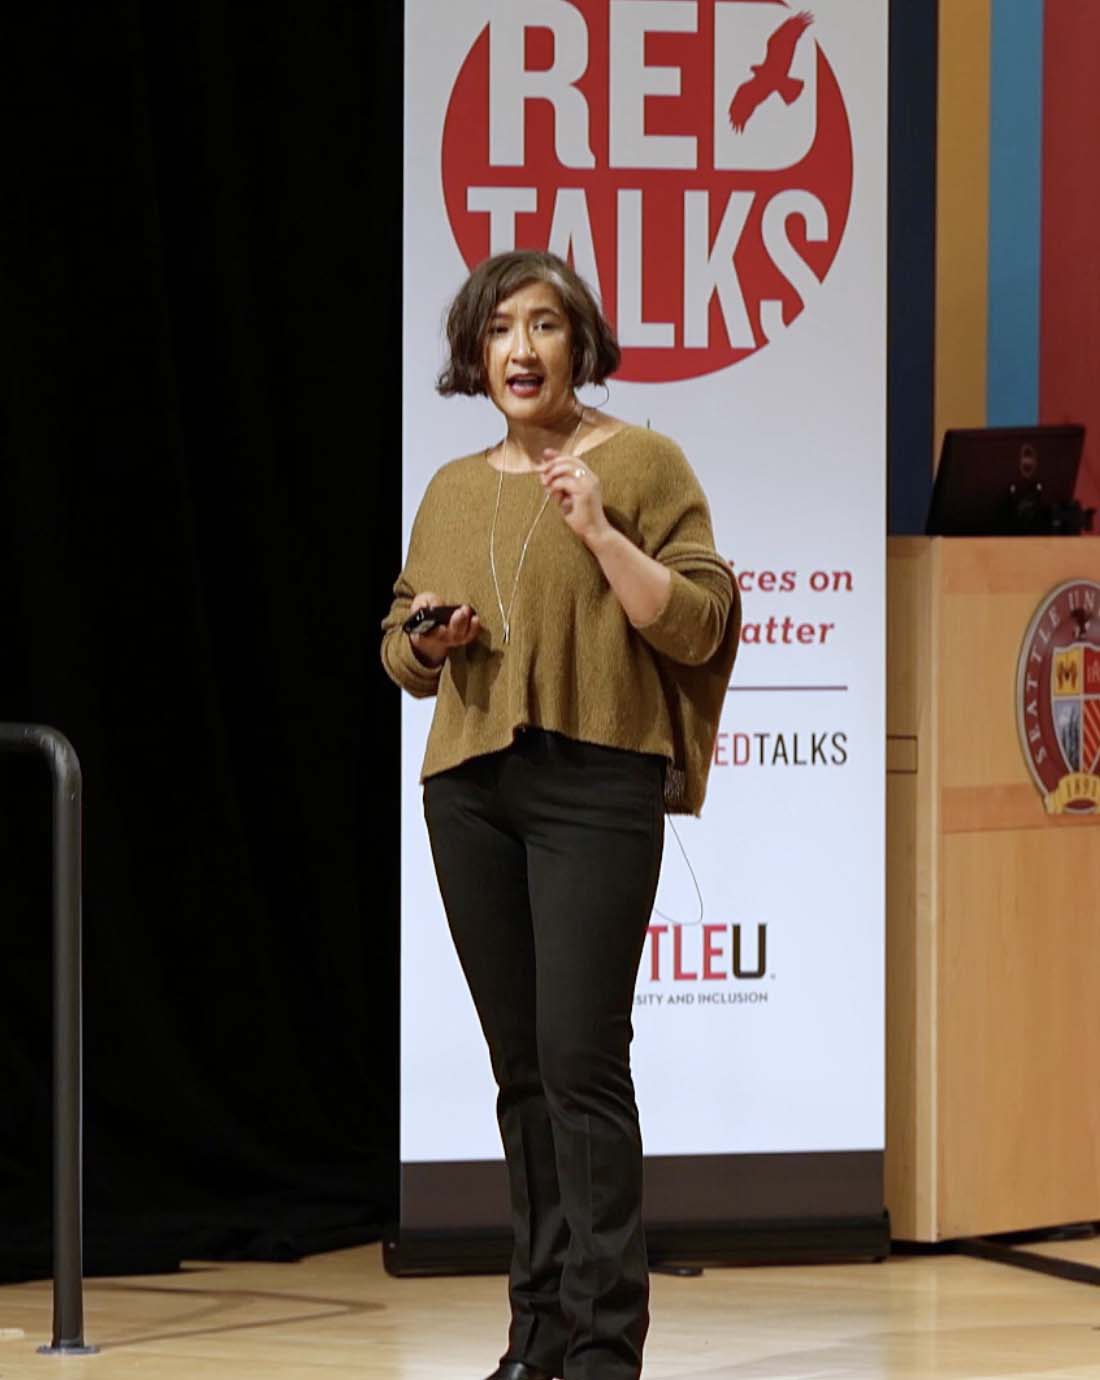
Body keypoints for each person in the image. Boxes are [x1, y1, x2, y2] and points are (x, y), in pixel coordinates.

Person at [380, 250, 740, 1380]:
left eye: (543, 325)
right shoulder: (449, 488)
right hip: (472, 789)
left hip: (594, 783)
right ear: (475, 355)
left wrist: (598, 527)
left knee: (581, 1062)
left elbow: (696, 623)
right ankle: (535, 1335)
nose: (519, 348)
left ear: (579, 346)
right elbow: (396, 647)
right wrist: (426, 637)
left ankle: (600, 1347)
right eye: (498, 330)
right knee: (519, 1069)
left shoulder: (639, 461)